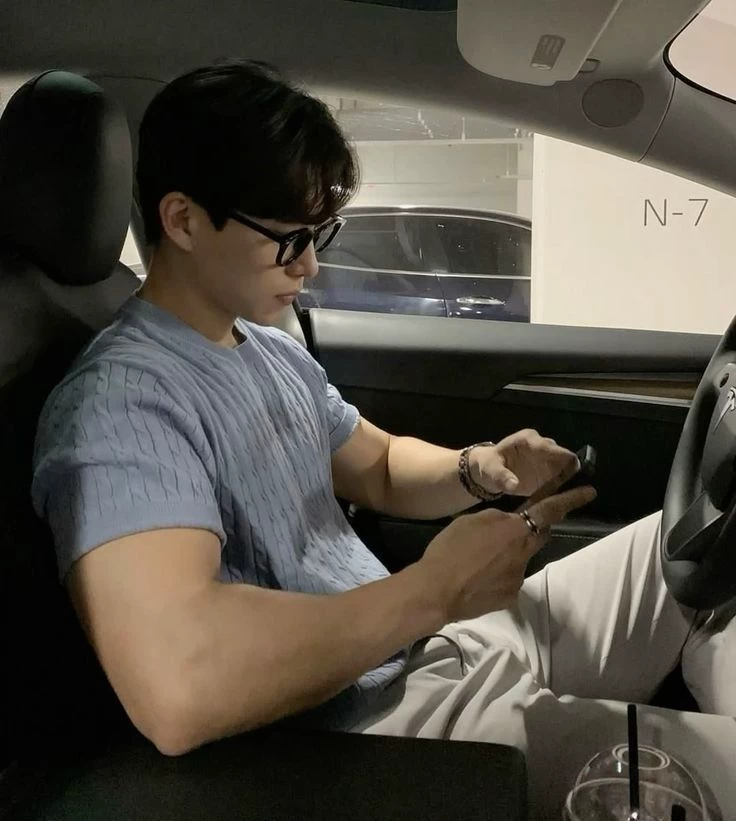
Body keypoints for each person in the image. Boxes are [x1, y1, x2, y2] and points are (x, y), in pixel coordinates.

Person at [31, 61, 736, 820]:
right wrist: (432, 590)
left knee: (696, 554)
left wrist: (477, 469)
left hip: (433, 637)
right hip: (372, 727)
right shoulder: (122, 403)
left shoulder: (265, 349)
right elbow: (179, 683)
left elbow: (382, 466)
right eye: (289, 239)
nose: (311, 263)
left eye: (319, 234)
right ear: (182, 220)